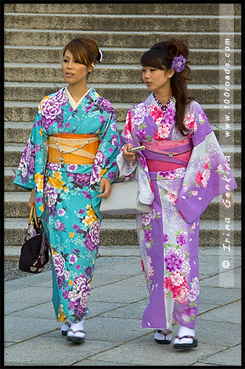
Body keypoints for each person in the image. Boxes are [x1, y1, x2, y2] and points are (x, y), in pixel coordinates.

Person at [117, 38, 237, 349]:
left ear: (171, 72)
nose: (146, 75)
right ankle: (162, 322)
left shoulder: (192, 110)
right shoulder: (137, 112)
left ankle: (186, 325)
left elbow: (207, 152)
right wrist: (129, 156)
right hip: (151, 194)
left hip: (182, 192)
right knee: (153, 259)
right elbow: (127, 153)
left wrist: (197, 193)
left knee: (181, 259)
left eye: (153, 70)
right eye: (143, 70)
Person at [13, 36, 120, 344]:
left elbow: (111, 147)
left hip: (87, 189)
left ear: (90, 66)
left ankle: (77, 316)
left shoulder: (102, 108)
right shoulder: (48, 105)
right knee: (60, 253)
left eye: (75, 61)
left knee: (83, 253)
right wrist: (36, 185)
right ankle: (69, 315)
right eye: (65, 60)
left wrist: (107, 175)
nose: (68, 66)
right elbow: (37, 146)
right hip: (55, 187)